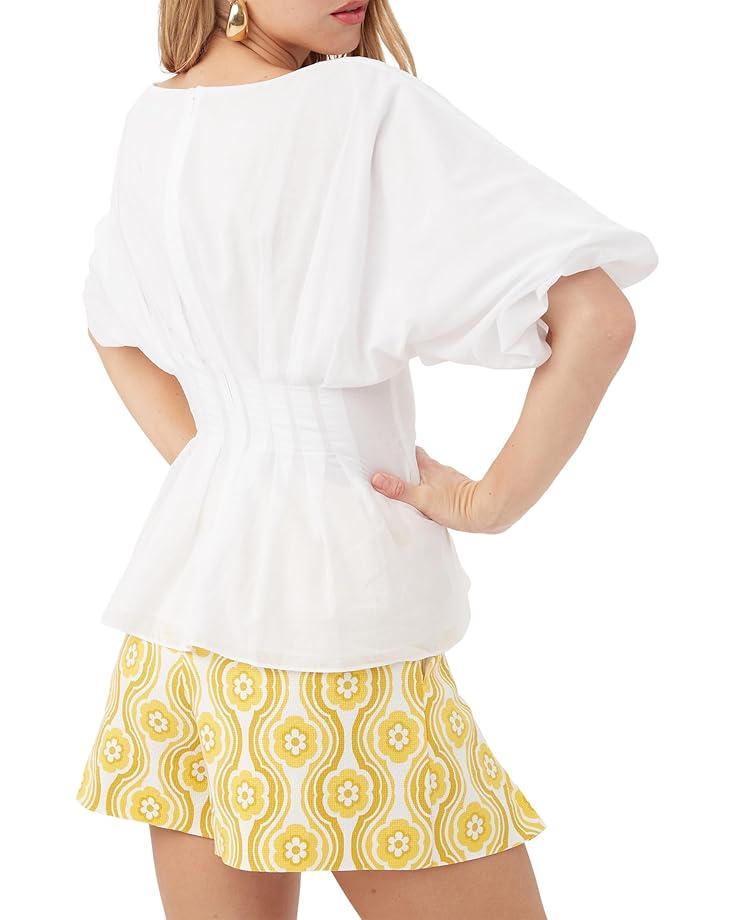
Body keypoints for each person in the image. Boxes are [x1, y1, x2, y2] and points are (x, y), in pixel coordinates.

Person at [74, 1, 658, 917]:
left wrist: (227, 468)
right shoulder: (359, 104)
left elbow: (109, 325)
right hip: (333, 626)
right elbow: (598, 317)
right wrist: (491, 503)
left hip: (185, 617)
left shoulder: (155, 118)